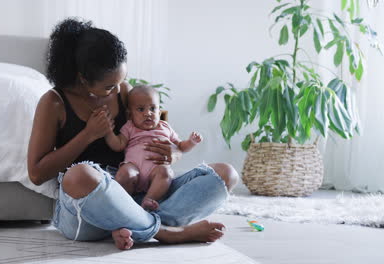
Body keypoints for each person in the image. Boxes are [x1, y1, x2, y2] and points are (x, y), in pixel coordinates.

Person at [27, 18, 239, 250]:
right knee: (79, 175)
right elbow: (37, 173)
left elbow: (153, 127)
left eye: (121, 81)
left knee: (225, 174)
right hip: (89, 205)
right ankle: (165, 232)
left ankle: (131, 225)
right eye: (109, 86)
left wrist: (175, 152)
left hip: (139, 192)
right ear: (82, 78)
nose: (118, 90)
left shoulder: (123, 91)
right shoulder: (54, 103)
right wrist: (88, 134)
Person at [105, 85, 203, 211]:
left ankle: (149, 200)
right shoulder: (130, 127)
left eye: (153, 108)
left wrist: (191, 142)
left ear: (159, 111)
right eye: (140, 109)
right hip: (133, 166)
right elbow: (118, 145)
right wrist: (108, 132)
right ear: (130, 115)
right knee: (124, 173)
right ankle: (124, 204)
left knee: (166, 173)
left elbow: (180, 147)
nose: (148, 113)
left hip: (156, 170)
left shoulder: (165, 127)